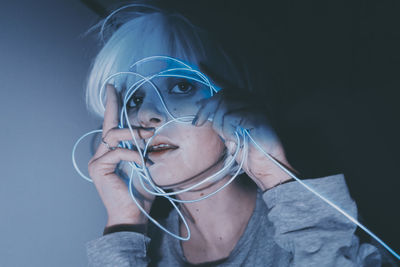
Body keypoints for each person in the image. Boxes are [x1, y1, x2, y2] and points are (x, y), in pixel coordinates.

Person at [83, 2, 386, 266]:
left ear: (235, 99)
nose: (147, 114)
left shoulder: (321, 230)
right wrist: (125, 225)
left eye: (181, 86)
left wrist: (277, 177)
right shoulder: (139, 251)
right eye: (134, 99)